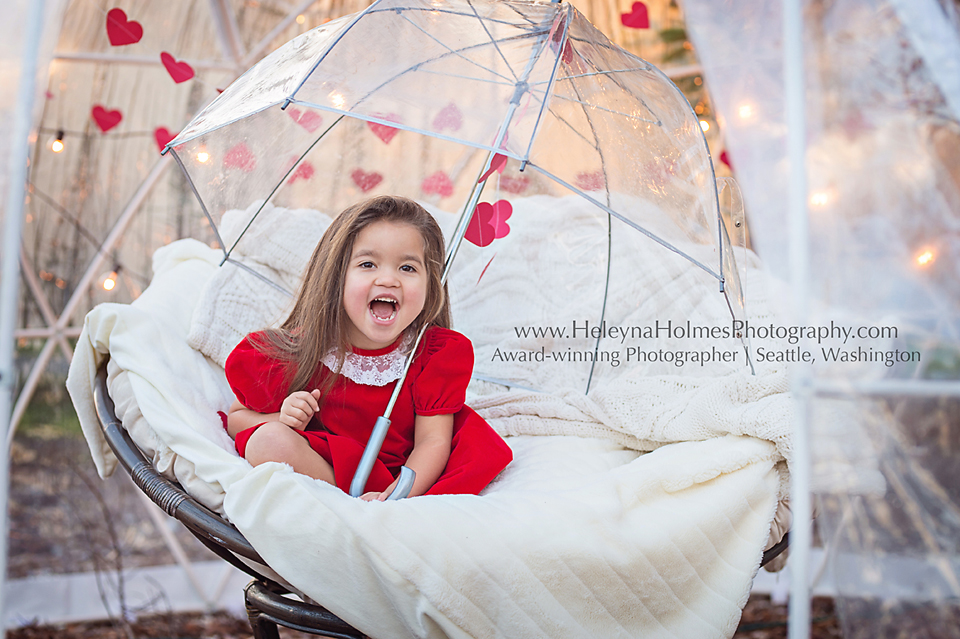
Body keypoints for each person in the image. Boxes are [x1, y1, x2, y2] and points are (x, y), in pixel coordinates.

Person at [223, 195, 512, 500]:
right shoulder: (304, 351)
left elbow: (432, 442)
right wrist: (283, 418)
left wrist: (396, 495)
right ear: (337, 277)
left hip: (398, 473)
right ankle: (346, 503)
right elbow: (236, 419)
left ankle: (370, 509)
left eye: (408, 268)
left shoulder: (431, 355)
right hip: (323, 464)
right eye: (367, 264)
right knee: (267, 441)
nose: (388, 279)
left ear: (430, 284)